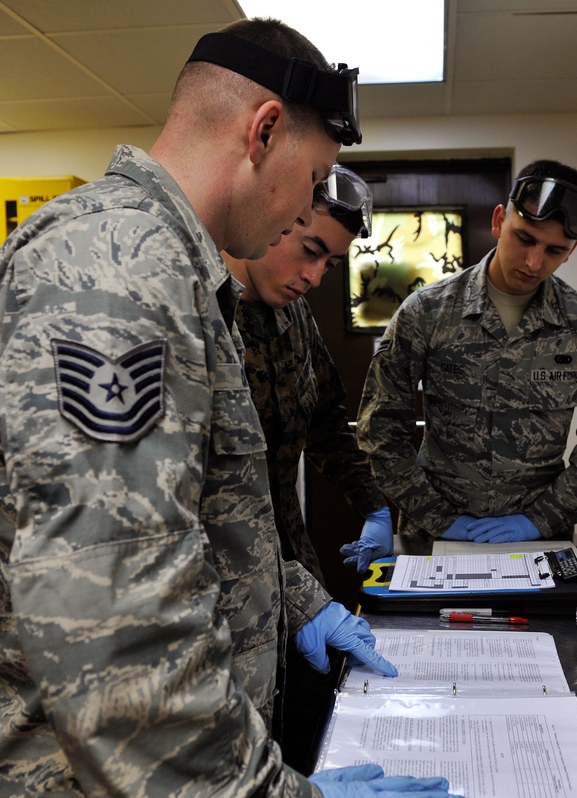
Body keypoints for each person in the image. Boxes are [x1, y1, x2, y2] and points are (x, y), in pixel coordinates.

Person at [0, 18, 451, 798]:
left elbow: (195, 511)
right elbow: (115, 628)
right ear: (264, 130)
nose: (303, 212)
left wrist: (298, 595)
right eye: (311, 181)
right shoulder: (118, 271)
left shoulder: (183, 274)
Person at [357, 159, 577, 555]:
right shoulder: (427, 313)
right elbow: (381, 427)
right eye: (524, 238)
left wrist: (540, 519)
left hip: (540, 542)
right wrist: (437, 517)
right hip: (435, 537)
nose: (534, 263)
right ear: (499, 220)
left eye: (554, 250)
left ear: (571, 251)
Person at [223, 164, 392, 771]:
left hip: (291, 563)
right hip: (224, 586)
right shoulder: (202, 317)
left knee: (308, 724)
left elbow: (325, 419)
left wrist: (373, 502)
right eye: (310, 251)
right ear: (275, 211)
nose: (315, 277)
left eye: (330, 264)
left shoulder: (293, 316)